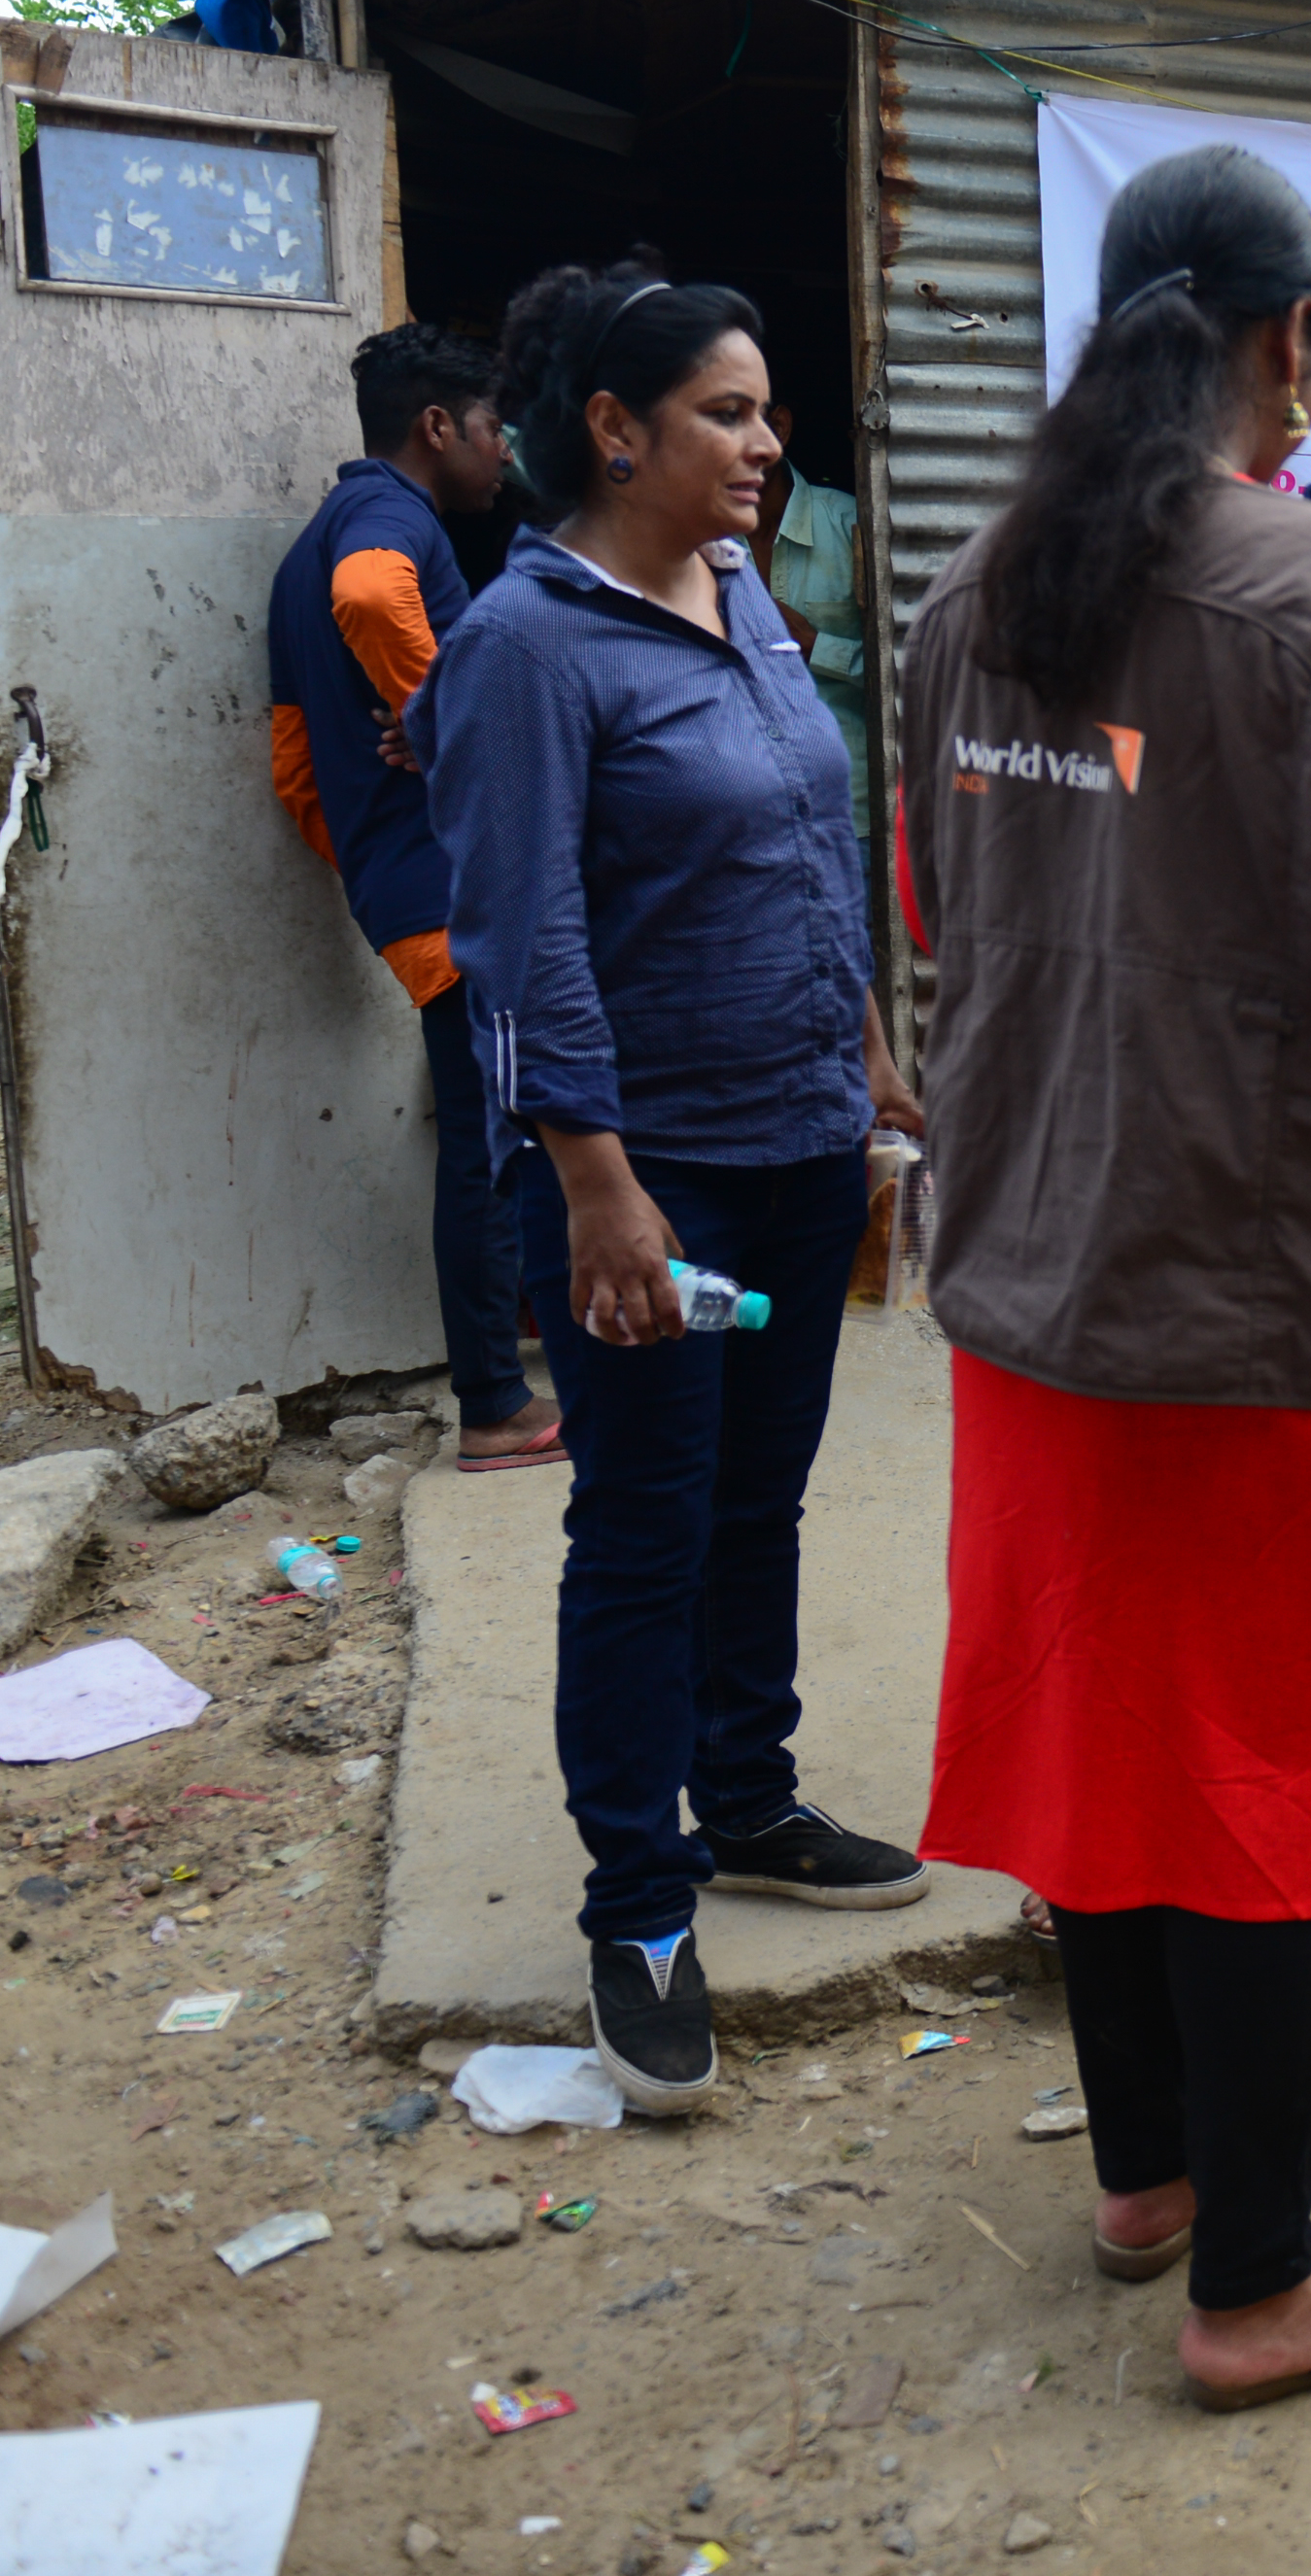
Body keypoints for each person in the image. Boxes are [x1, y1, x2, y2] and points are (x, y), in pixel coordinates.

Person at [898, 144, 1311, 2412]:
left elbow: (932, 905)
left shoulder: (973, 591)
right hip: (1258, 1291)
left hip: (1035, 1270)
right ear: (1290, 345)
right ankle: (1257, 2282)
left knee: (1103, 1732)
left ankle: (1150, 2170)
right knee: (1264, 1763)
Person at [414, 257, 934, 2119]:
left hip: (798, 1148)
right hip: (656, 1177)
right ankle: (638, 1905)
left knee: (758, 1499)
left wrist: (862, 1036)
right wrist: (597, 1187)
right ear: (616, 430)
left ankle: (751, 1795)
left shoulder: (744, 599)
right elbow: (522, 934)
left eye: (766, 407)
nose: (766, 442)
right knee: (642, 1525)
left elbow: (806, 827)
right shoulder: (527, 645)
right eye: (728, 410)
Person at [262, 324, 567, 1477]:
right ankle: (494, 1403)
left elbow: (295, 767)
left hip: (407, 890)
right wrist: (455, 720)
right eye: (495, 429)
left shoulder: (309, 542)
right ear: (437, 426)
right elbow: (372, 595)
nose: (505, 454)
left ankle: (526, 1343)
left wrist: (371, 863)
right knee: (491, 1143)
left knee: (500, 1127)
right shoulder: (387, 526)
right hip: (455, 890)